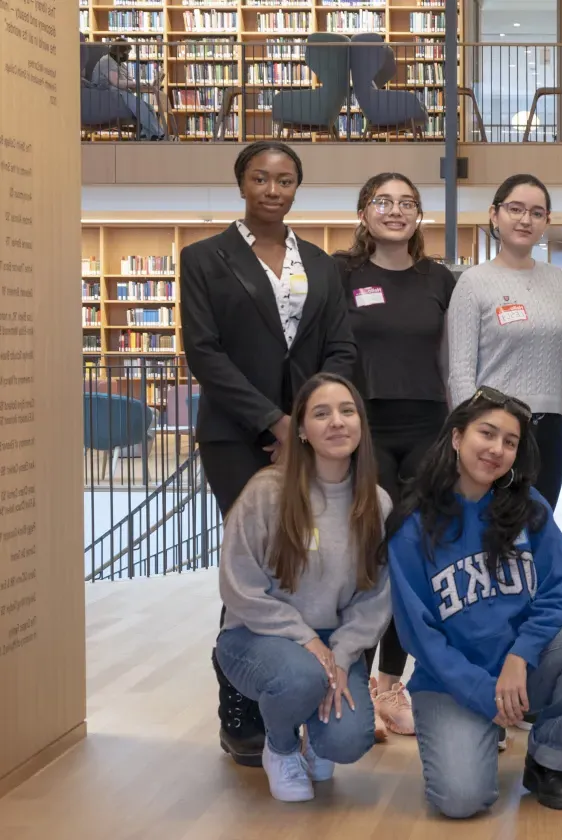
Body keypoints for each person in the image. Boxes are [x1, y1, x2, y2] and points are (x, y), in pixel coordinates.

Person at [181, 140, 357, 767]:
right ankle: (241, 703)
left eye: (285, 180)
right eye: (261, 178)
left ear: (296, 189)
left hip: (311, 438)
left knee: (305, 560)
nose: (273, 190)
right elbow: (204, 352)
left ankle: (301, 690)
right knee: (248, 566)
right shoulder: (203, 257)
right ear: (242, 184)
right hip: (236, 435)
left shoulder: (320, 263)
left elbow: (340, 347)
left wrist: (310, 419)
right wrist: (272, 421)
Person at [386, 387, 562, 817]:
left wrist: (521, 655)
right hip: (452, 685)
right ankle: (465, 736)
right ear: (457, 437)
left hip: (522, 671)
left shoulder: (527, 506)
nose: (497, 450)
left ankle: (547, 762)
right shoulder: (413, 525)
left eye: (509, 442)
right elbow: (420, 637)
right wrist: (483, 694)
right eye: (487, 434)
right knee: (462, 801)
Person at [214, 373, 392, 802]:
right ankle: (281, 746)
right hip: (257, 637)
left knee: (347, 741)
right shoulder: (266, 493)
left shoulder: (376, 502)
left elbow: (374, 599)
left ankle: (316, 733)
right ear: (301, 431)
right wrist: (307, 640)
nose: (337, 422)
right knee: (302, 677)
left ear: (361, 425)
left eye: (347, 411)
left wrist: (343, 655)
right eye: (321, 413)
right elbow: (239, 585)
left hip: (333, 643)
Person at [333, 172, 457, 741]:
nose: (396, 210)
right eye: (383, 200)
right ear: (364, 211)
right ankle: (352, 681)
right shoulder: (342, 273)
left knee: (413, 557)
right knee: (364, 554)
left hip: (429, 425)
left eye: (407, 203)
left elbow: (456, 357)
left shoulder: (440, 280)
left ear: (419, 217)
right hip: (364, 427)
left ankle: (389, 681)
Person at [447, 174, 562, 509]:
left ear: (546, 221)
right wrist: (472, 432)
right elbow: (459, 370)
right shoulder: (474, 282)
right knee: (493, 526)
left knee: (539, 524)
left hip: (549, 428)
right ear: (494, 214)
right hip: (494, 431)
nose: (525, 219)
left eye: (536, 212)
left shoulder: (560, 281)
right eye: (515, 209)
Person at [90, 39, 168, 139]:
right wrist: (136, 83)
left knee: (150, 108)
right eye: (126, 52)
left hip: (119, 93)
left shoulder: (121, 65)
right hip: (107, 95)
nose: (127, 55)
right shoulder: (107, 61)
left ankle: (146, 135)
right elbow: (116, 82)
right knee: (138, 105)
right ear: (119, 52)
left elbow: (128, 82)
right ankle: (159, 133)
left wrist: (142, 85)